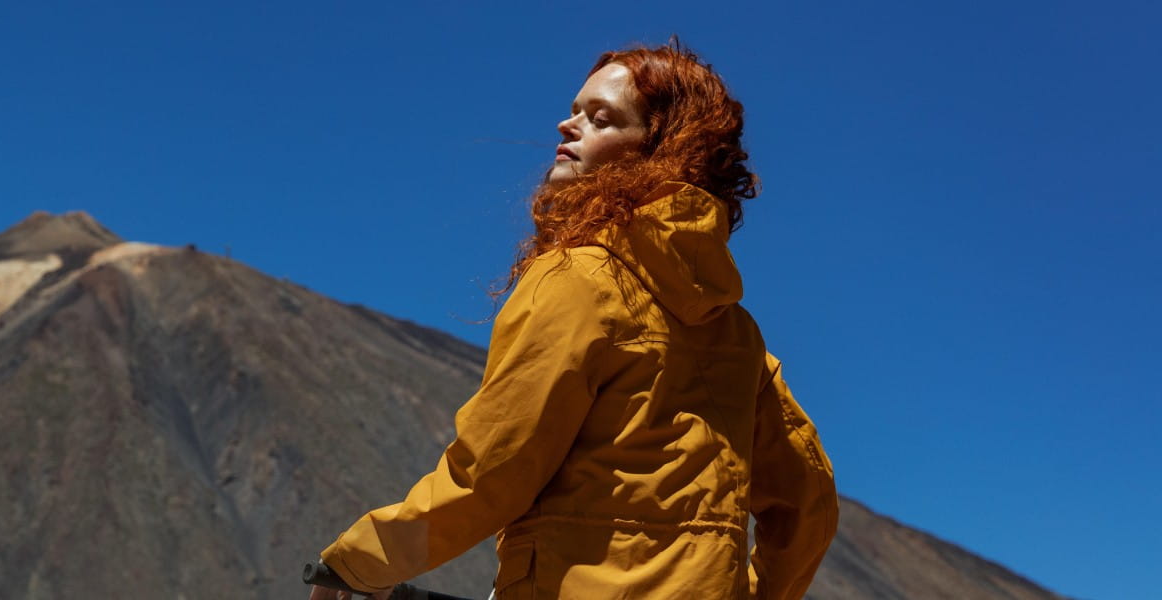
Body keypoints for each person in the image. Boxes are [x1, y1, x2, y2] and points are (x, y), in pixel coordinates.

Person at [310, 40, 838, 600]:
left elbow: (493, 473)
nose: (567, 125)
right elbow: (808, 502)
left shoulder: (577, 279)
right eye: (575, 109)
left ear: (659, 150)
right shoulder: (736, 335)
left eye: (601, 118)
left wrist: (358, 564)